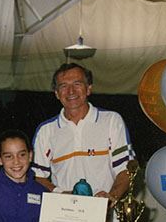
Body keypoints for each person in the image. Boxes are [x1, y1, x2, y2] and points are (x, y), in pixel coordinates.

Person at [32, 63, 132, 203]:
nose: (71, 91)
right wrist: (60, 193)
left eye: (77, 84)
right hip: (62, 213)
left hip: (104, 214)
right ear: (56, 93)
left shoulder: (111, 121)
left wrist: (112, 197)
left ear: (89, 89)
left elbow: (126, 168)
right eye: (63, 86)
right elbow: (37, 177)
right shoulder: (46, 131)